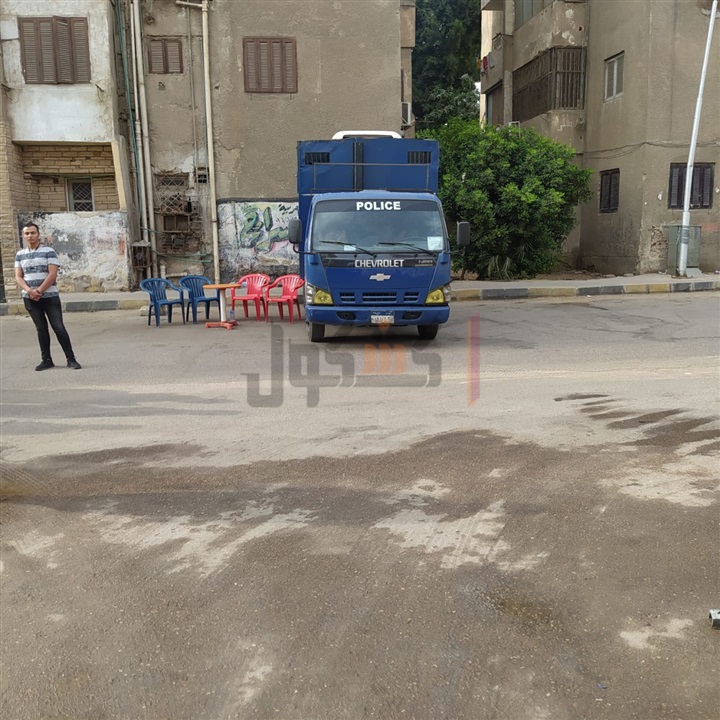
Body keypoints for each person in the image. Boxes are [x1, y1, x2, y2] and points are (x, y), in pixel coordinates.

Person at [14, 222, 82, 371]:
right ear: (23, 235)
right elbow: (18, 276)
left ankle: (71, 359)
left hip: (49, 296)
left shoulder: (49, 251)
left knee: (58, 327)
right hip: (30, 298)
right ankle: (46, 360)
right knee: (41, 328)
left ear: (38, 234)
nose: (30, 236)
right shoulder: (20, 255)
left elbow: (52, 274)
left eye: (33, 233)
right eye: (27, 233)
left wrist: (39, 291)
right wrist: (29, 291)